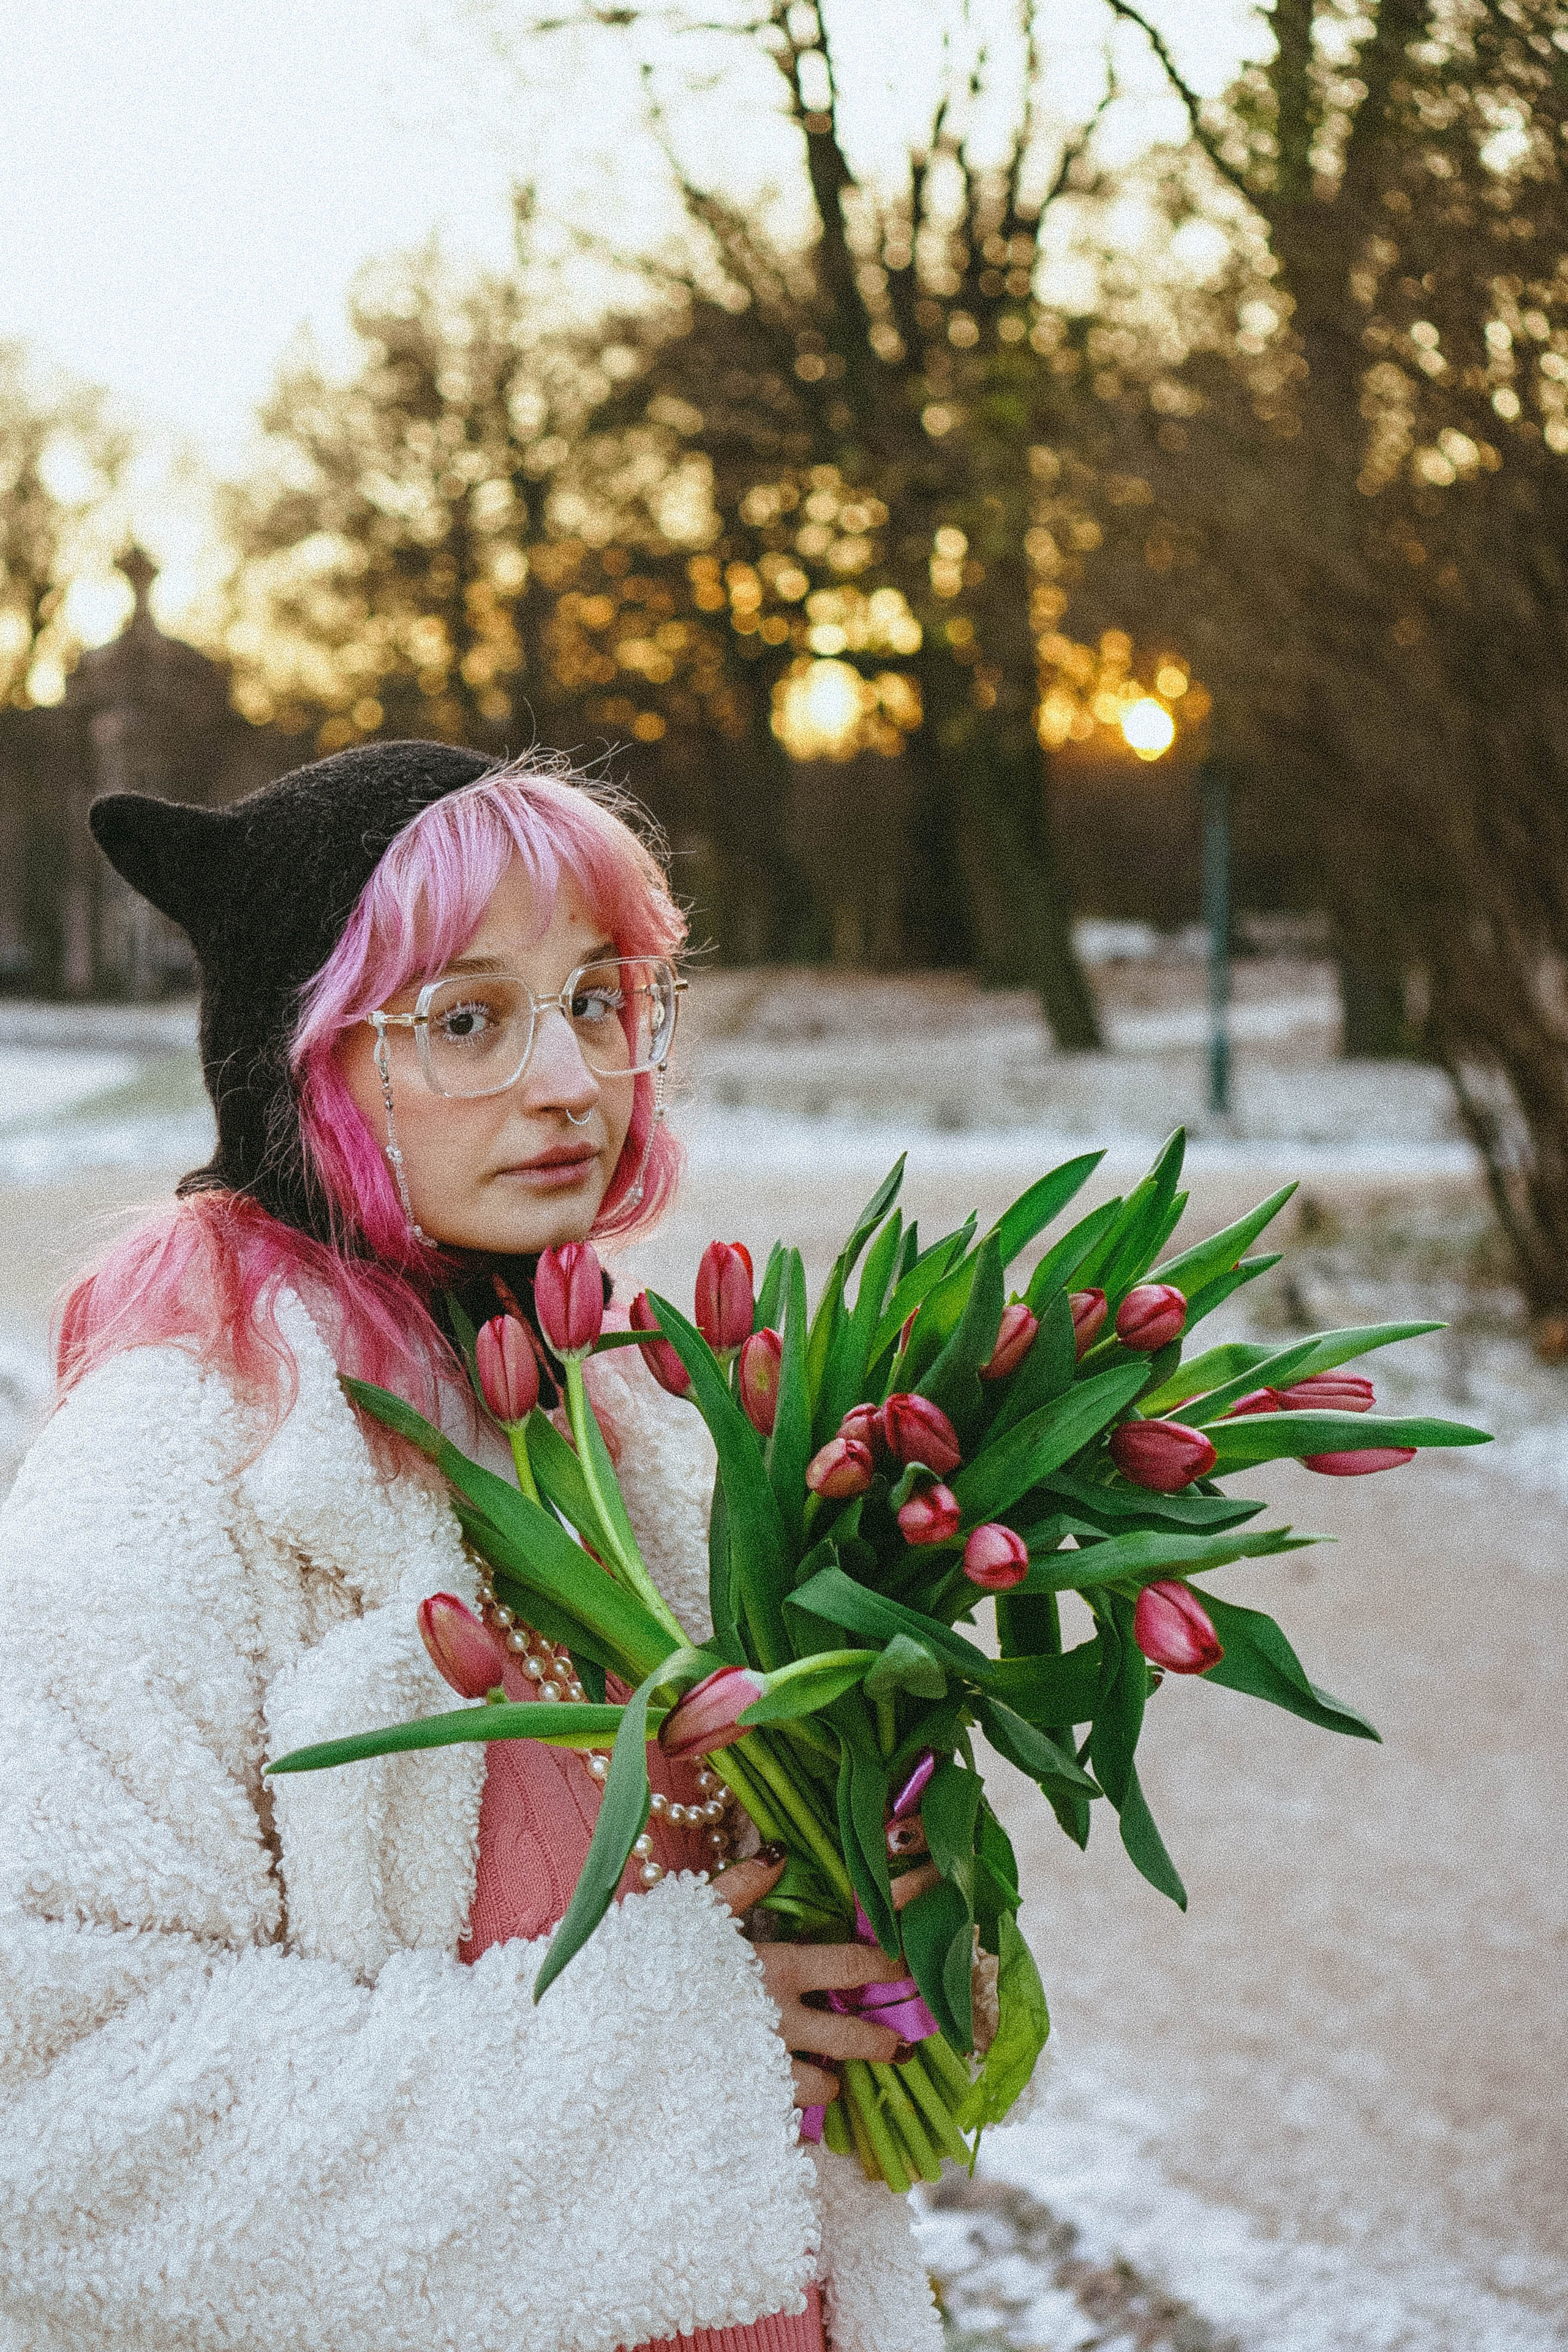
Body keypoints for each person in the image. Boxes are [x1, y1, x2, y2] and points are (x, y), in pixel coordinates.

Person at [0, 744, 945, 2352]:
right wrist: (683, 2063)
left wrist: (896, 1935)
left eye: (596, 996)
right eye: (466, 1019)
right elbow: (55, 2125)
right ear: (299, 1063)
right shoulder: (178, 1457)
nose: (574, 1079)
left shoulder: (636, 1413)